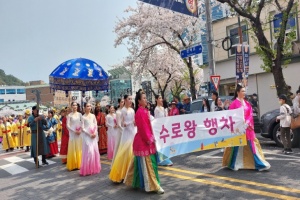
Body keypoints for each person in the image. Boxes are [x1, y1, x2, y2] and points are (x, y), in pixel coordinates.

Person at [222, 84, 270, 171]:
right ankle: (233, 164)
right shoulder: (233, 104)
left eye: (244, 91)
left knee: (252, 146)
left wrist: (247, 122)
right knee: (236, 146)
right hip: (238, 129)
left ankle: (259, 164)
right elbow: (231, 116)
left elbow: (250, 114)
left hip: (247, 127)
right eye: (242, 91)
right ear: (238, 92)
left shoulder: (247, 103)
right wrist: (239, 123)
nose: (244, 93)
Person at [124, 90, 164, 194]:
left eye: (146, 98)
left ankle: (134, 181)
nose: (146, 100)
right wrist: (150, 139)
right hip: (144, 142)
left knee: (139, 164)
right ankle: (154, 185)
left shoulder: (144, 111)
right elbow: (143, 128)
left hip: (145, 141)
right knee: (150, 165)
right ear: (139, 101)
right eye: (144, 98)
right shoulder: (140, 112)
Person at [109, 94, 136, 183]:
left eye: (131, 99)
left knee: (132, 153)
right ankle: (122, 173)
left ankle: (130, 173)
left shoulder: (132, 110)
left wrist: (134, 123)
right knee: (125, 153)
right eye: (129, 99)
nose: (130, 101)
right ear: (125, 100)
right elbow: (120, 124)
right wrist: (126, 125)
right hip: (126, 134)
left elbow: (134, 122)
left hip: (132, 133)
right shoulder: (122, 111)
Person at [80, 102, 101, 176]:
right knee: (89, 152)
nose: (89, 107)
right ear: (85, 108)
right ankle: (87, 168)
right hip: (87, 136)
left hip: (93, 136)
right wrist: (89, 134)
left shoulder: (93, 116)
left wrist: (95, 133)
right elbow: (82, 128)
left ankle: (93, 168)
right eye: (87, 106)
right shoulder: (83, 117)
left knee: (94, 151)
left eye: (90, 106)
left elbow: (95, 124)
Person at [154, 95, 173, 166]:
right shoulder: (156, 109)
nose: (161, 99)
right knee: (161, 144)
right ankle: (162, 160)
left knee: (165, 144)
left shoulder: (163, 108)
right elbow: (156, 119)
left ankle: (165, 158)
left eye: (161, 98)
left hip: (165, 128)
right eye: (159, 98)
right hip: (160, 129)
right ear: (156, 100)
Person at [66, 102, 83, 171]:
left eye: (76, 105)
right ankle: (73, 164)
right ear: (71, 106)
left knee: (79, 147)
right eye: (73, 105)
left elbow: (83, 123)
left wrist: (80, 130)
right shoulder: (69, 115)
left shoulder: (80, 114)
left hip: (79, 133)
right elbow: (68, 125)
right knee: (73, 148)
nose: (75, 106)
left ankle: (79, 163)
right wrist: (74, 131)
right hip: (73, 133)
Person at [111, 98, 124, 166]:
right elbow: (119, 124)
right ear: (119, 103)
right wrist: (124, 131)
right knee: (119, 147)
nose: (123, 103)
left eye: (124, 102)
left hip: (126, 130)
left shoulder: (125, 110)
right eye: (121, 102)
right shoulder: (118, 112)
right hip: (121, 132)